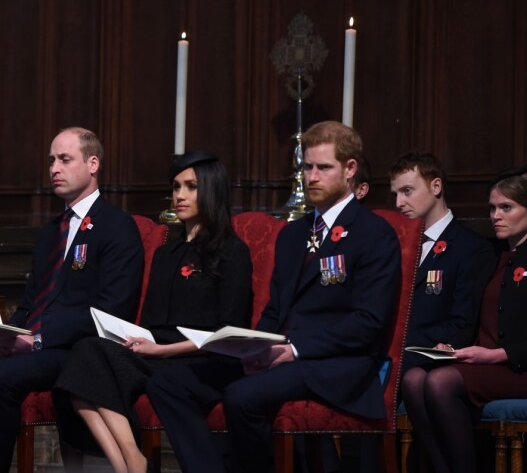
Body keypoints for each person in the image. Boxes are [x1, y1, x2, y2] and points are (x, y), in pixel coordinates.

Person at [145, 121, 401, 473]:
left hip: (336, 364)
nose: (312, 176)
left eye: (324, 168)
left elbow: (367, 324)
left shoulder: (374, 234)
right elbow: (276, 309)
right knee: (170, 381)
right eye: (307, 167)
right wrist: (253, 347)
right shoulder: (293, 234)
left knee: (242, 396)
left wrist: (294, 350)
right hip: (283, 356)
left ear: (350, 169)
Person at [53, 150, 253, 473]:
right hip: (154, 354)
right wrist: (130, 339)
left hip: (205, 358)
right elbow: (150, 325)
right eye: (176, 187)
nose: (180, 196)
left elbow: (226, 333)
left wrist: (162, 350)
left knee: (155, 379)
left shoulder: (232, 252)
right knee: (86, 353)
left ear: (212, 190)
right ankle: (129, 460)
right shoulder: (166, 253)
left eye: (190, 187)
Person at [0, 126, 144, 473]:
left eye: (64, 159)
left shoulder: (118, 226)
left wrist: (37, 340)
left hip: (76, 352)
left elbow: (110, 311)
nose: (54, 168)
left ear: (92, 164)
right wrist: (7, 333)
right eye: (51, 160)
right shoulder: (49, 233)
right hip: (34, 342)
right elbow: (30, 303)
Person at [402, 165, 527, 473]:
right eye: (492, 208)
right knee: (412, 379)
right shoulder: (492, 254)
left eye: (506, 207)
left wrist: (495, 355)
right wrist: (450, 346)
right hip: (484, 363)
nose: (496, 216)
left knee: (439, 382)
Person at [389, 152, 496, 372]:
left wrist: (399, 342)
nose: (399, 203)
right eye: (396, 194)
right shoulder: (395, 245)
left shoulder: (471, 248)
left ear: (436, 186)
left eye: (407, 191)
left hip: (428, 359)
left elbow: (462, 325)